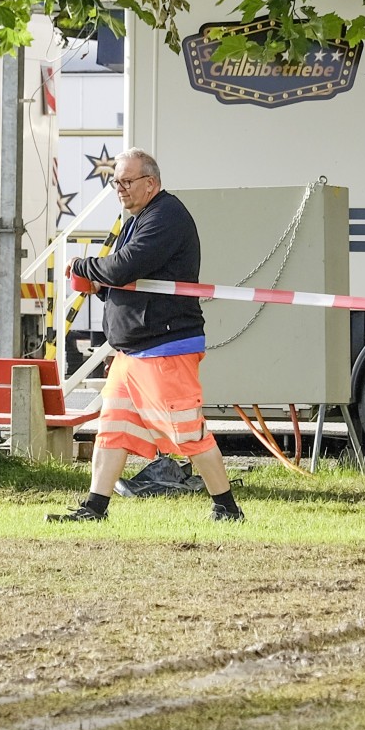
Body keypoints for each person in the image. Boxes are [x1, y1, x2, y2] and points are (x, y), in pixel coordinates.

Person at [48, 150, 244, 523]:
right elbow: (123, 280)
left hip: (164, 347)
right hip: (132, 351)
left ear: (150, 183)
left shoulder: (167, 216)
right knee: (113, 429)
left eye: (126, 181)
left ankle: (227, 508)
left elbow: (124, 266)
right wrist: (101, 283)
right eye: (115, 182)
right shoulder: (138, 219)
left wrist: (83, 267)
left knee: (189, 431)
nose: (118, 188)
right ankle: (94, 508)